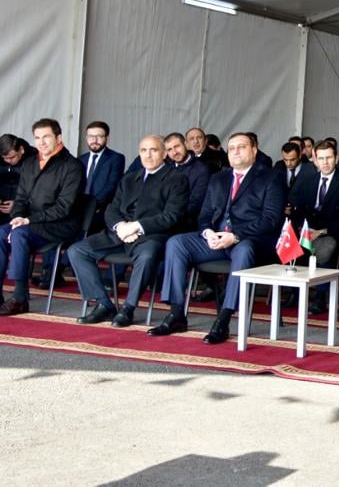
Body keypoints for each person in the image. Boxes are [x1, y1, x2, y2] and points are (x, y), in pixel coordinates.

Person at [148, 132, 286, 344]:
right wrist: (208, 232)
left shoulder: (271, 177)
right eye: (232, 148)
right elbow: (204, 215)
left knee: (244, 249)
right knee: (176, 243)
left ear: (254, 150)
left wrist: (235, 236)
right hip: (216, 240)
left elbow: (270, 220)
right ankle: (176, 313)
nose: (236, 152)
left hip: (250, 241)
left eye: (241, 147)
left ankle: (224, 318)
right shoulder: (219, 178)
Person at [68, 136, 189, 327]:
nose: (148, 155)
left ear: (164, 153)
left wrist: (136, 226)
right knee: (77, 250)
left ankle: (128, 308)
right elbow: (111, 209)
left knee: (147, 256)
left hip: (150, 235)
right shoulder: (130, 178)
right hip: (120, 234)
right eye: (143, 150)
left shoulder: (177, 179)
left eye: (154, 150)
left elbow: (171, 216)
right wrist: (121, 227)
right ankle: (103, 304)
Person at [0, 118, 84, 315]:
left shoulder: (72, 166)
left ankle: (20, 298)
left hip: (60, 224)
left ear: (58, 138)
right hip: (30, 222)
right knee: (1, 233)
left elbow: (64, 207)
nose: (41, 142)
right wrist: (17, 216)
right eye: (37, 138)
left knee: (19, 233)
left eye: (46, 137)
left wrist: (28, 220)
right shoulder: (30, 163)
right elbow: (21, 198)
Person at [288, 140, 339, 313]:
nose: (325, 162)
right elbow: (299, 209)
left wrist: (321, 231)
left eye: (329, 158)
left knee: (325, 250)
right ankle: (295, 293)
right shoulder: (308, 180)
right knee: (291, 244)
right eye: (321, 158)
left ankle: (320, 297)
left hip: (332, 230)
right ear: (315, 160)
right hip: (309, 229)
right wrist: (303, 228)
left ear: (336, 158)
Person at [164, 132, 210, 230]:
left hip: (185, 222)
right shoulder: (165, 167)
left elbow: (195, 203)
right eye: (169, 149)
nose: (174, 152)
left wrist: (169, 217)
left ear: (185, 144)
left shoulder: (201, 169)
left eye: (177, 146)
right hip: (162, 218)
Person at [0, 134, 36, 225]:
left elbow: (39, 190)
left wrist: (18, 205)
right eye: (4, 158)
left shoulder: (35, 159)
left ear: (21, 150)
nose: (8, 161)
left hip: (24, 214)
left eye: (12, 157)